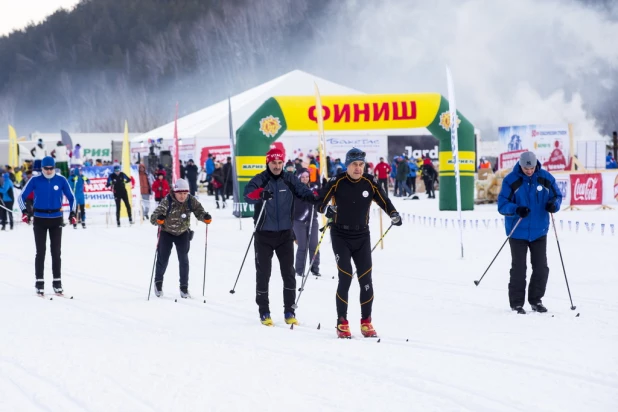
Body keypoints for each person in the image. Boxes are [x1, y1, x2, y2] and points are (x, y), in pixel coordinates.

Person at [316, 148, 401, 339]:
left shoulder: (369, 182)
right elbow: (319, 202)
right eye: (354, 164)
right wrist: (326, 209)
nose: (358, 168)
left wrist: (393, 214)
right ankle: (342, 322)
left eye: (361, 164)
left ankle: (366, 322)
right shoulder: (337, 181)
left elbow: (384, 200)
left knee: (366, 280)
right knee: (345, 277)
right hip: (340, 235)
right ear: (347, 165)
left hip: (362, 236)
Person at [243, 148, 316, 327]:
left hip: (284, 234)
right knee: (263, 273)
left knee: (289, 274)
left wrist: (315, 198)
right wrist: (260, 194)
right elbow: (248, 194)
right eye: (273, 163)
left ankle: (289, 311)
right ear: (267, 163)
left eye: (279, 163)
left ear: (283, 163)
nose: (276, 166)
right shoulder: (261, 178)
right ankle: (264, 311)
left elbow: (303, 191)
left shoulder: (289, 179)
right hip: (264, 234)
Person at [498, 151, 562, 314]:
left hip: (539, 230)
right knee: (519, 268)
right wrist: (516, 209)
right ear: (520, 165)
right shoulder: (511, 180)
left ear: (536, 165)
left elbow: (557, 195)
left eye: (532, 167)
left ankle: (536, 300)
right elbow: (502, 204)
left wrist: (553, 205)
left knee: (541, 268)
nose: (529, 171)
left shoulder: (545, 177)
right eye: (526, 168)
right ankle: (517, 304)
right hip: (517, 231)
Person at [18, 156, 76, 296]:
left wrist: (72, 213)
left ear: (54, 167)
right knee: (41, 252)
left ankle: (57, 282)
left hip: (56, 219)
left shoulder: (61, 179)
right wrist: (25, 212)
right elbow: (21, 197)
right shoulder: (35, 180)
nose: (49, 171)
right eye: (46, 168)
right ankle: (39, 282)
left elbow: (72, 197)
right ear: (42, 168)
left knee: (56, 252)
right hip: (40, 220)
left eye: (51, 168)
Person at [150, 178, 212, 298]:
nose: (183, 196)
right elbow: (153, 218)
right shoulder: (167, 201)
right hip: (166, 233)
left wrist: (205, 217)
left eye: (185, 193)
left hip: (183, 233)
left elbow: (199, 211)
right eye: (180, 193)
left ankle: (184, 288)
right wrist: (159, 219)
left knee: (184, 261)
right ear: (175, 192)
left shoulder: (190, 200)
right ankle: (158, 283)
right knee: (163, 259)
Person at [292, 169, 321, 277]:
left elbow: (320, 199)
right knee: (302, 247)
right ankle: (299, 271)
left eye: (307, 176)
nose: (305, 178)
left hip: (312, 220)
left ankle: (314, 269)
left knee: (314, 245)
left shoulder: (313, 188)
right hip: (299, 221)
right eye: (302, 177)